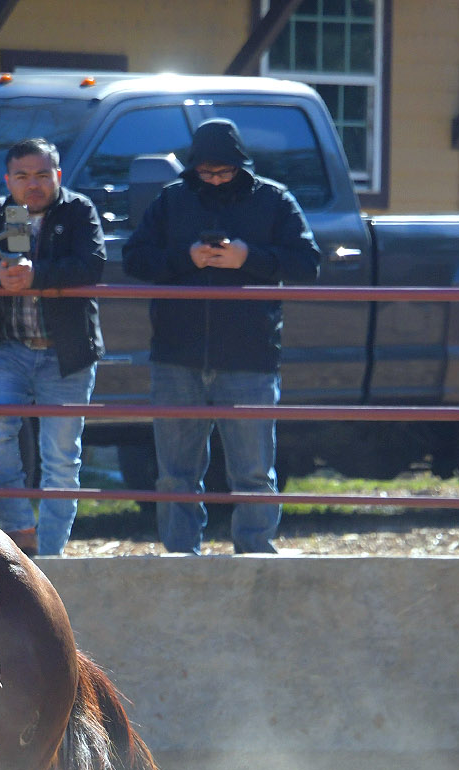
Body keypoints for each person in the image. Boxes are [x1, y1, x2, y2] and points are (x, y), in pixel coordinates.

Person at [123, 118, 320, 554]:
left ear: (241, 165)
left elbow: (308, 262)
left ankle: (255, 552)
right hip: (176, 356)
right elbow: (134, 258)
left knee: (254, 472)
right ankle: (181, 555)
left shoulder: (273, 198)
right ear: (193, 166)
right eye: (206, 172)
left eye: (224, 172)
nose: (214, 179)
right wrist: (186, 258)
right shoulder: (172, 199)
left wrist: (248, 257)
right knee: (175, 474)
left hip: (250, 357)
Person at [0, 137, 105, 557]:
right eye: (22, 176)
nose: (32, 184)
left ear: (58, 176)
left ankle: (52, 556)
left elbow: (93, 265)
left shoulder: (78, 211)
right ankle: (20, 535)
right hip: (8, 348)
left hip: (67, 352)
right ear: (8, 180)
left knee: (61, 458)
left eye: (42, 175)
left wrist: (37, 275)